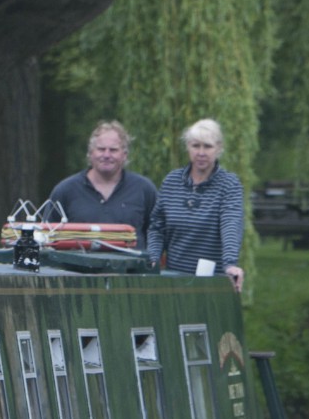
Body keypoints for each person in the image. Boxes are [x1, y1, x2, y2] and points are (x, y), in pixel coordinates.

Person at [144, 118, 247, 291]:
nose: (201, 152)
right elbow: (157, 226)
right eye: (195, 146)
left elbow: (231, 224)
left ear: (219, 148)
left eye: (207, 146)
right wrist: (153, 258)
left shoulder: (229, 184)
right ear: (188, 148)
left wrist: (230, 264)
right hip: (173, 279)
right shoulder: (172, 181)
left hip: (212, 283)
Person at [44, 119, 158, 239]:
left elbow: (158, 235)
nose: (106, 155)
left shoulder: (144, 190)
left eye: (113, 150)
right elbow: (46, 238)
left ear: (124, 155)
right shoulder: (65, 191)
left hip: (132, 258)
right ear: (90, 152)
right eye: (101, 149)